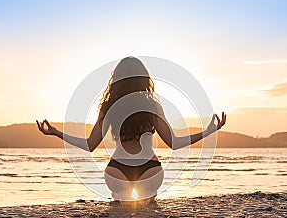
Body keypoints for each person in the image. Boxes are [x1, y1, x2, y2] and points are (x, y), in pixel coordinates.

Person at [36, 56, 226, 203]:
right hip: (150, 171)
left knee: (121, 208)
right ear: (144, 79)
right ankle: (147, 200)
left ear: (117, 80)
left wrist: (56, 132)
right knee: (147, 205)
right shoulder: (152, 105)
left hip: (116, 172)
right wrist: (208, 131)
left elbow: (89, 145)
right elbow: (175, 143)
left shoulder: (108, 107)